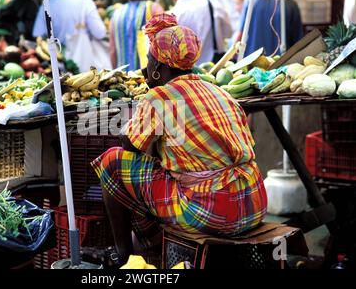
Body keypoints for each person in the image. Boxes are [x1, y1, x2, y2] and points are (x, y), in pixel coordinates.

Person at [92, 13, 267, 264]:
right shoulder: (220, 92)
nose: (147, 67)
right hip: (254, 202)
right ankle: (151, 245)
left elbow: (128, 144)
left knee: (112, 162)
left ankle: (123, 254)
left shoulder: (160, 98)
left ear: (159, 68)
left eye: (150, 61)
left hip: (213, 211)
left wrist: (134, 120)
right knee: (162, 171)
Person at [169, 0, 233, 64]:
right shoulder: (213, 2)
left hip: (187, 71)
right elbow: (228, 32)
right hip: (215, 68)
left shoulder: (173, 14)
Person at [235, 0, 303, 57]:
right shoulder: (291, 5)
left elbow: (240, 35)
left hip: (251, 61)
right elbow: (298, 41)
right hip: (279, 63)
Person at [32, 0, 106, 45]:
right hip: (82, 55)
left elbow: (38, 34)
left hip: (55, 56)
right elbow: (100, 33)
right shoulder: (85, 3)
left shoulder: (48, 5)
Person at [110, 0, 164, 70]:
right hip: (147, 77)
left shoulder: (117, 12)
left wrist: (115, 71)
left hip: (123, 76)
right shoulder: (153, 8)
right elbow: (165, 43)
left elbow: (113, 50)